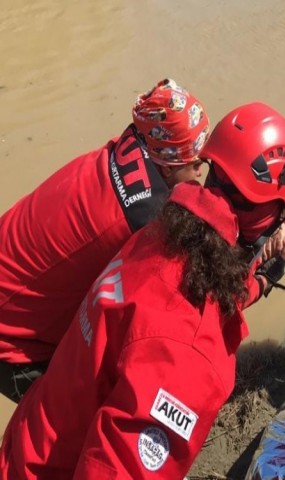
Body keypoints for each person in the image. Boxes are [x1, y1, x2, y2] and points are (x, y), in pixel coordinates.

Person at [0, 102, 285, 478]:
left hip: (28, 446)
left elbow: (199, 286)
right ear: (269, 215)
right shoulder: (191, 351)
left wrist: (260, 278)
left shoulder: (156, 235)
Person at [0, 78, 210, 394]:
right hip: (10, 338)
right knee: (71, 425)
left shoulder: (130, 142)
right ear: (166, 167)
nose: (199, 172)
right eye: (195, 163)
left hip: (14, 267)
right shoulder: (145, 219)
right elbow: (200, 285)